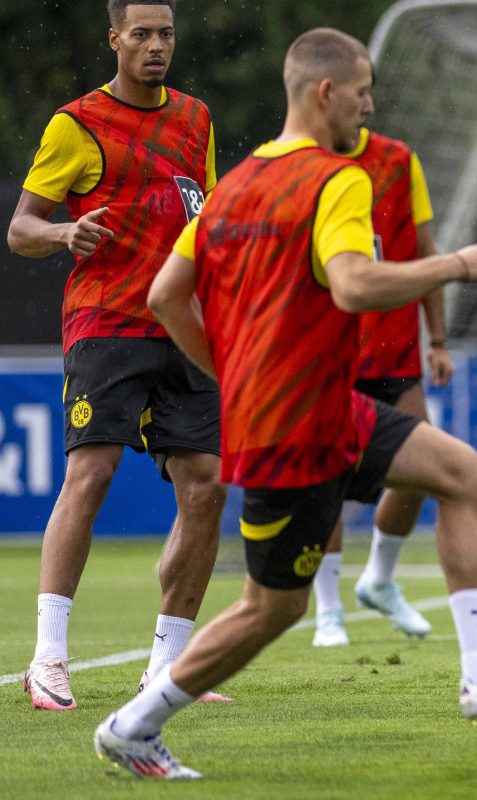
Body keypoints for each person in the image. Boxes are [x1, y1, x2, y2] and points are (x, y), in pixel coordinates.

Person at [93, 28, 477, 779]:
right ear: (326, 93)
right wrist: (454, 264)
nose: (368, 107)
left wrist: (231, 372)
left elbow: (165, 295)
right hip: (294, 430)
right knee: (271, 608)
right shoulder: (337, 179)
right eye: (361, 92)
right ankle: (132, 725)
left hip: (318, 409)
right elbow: (352, 284)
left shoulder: (234, 186)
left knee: (463, 475)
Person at [5, 0, 229, 710]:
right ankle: (48, 659)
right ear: (114, 40)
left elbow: (204, 221)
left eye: (165, 33)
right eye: (142, 34)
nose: (156, 45)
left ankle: (168, 668)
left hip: (184, 326)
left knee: (207, 486)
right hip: (107, 323)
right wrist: (64, 233)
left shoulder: (195, 119)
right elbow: (21, 229)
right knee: (92, 473)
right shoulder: (76, 124)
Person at [310, 126, 450, 647]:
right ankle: (328, 610)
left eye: (368, 92)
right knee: (326, 479)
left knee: (425, 469)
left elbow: (425, 250)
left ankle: (379, 578)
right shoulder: (302, 163)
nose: (365, 103)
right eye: (358, 92)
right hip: (329, 352)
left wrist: (438, 341)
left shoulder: (397, 160)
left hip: (395, 350)